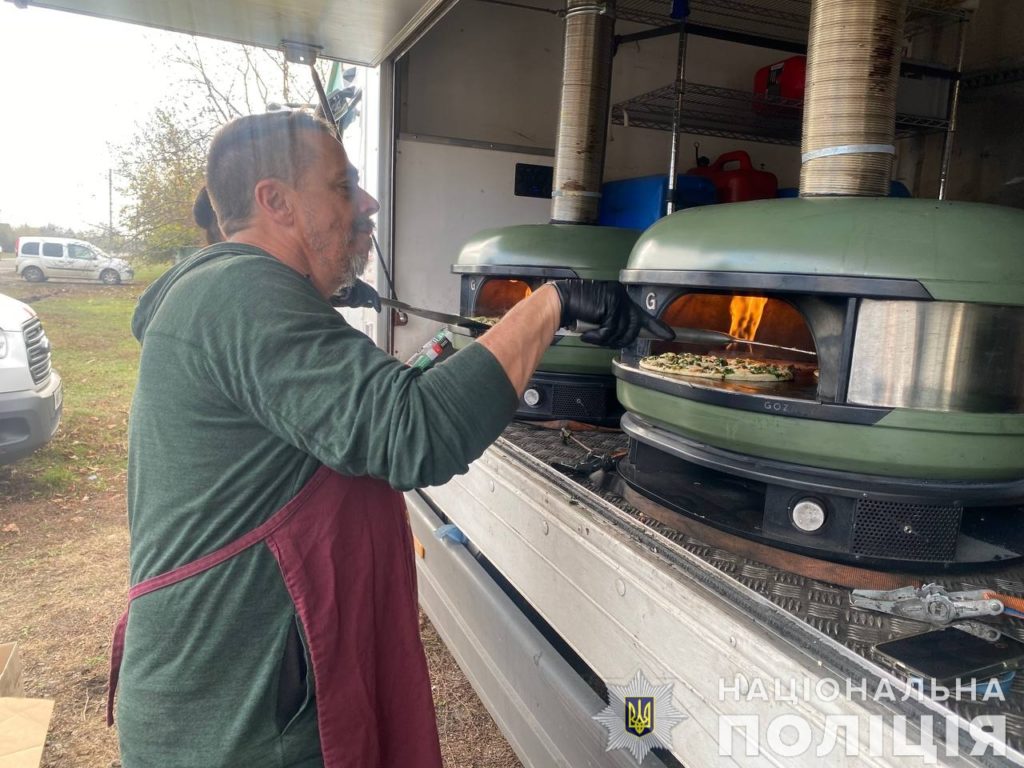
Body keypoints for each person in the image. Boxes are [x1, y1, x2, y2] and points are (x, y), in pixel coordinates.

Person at [108, 110, 671, 768]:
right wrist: (553, 303)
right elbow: (416, 433)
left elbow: (358, 421)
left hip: (238, 692)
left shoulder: (217, 292)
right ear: (276, 202)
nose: (368, 201)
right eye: (343, 185)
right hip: (239, 717)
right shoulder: (240, 291)